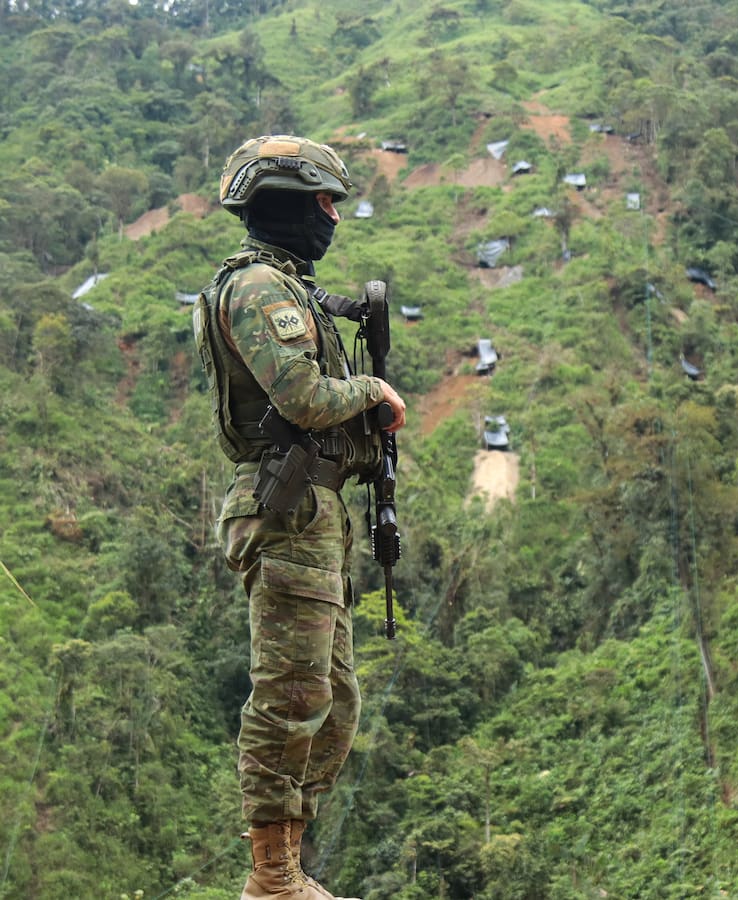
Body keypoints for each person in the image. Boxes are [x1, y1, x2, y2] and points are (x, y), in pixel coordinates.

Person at [193, 135, 406, 900]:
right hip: (285, 511)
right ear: (282, 201)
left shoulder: (291, 288)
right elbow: (305, 398)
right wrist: (375, 393)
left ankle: (287, 860)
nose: (331, 217)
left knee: (335, 703)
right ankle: (271, 877)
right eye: (322, 201)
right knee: (291, 694)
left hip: (316, 515)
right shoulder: (256, 288)